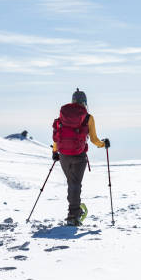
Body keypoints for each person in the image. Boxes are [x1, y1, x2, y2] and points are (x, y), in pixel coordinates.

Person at [52, 88, 109, 226]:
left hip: (64, 155)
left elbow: (57, 134)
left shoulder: (62, 116)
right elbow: (94, 140)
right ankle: (73, 215)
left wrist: (55, 152)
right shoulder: (88, 118)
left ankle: (74, 210)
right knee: (75, 184)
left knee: (72, 183)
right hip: (79, 155)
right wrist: (104, 144)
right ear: (85, 102)